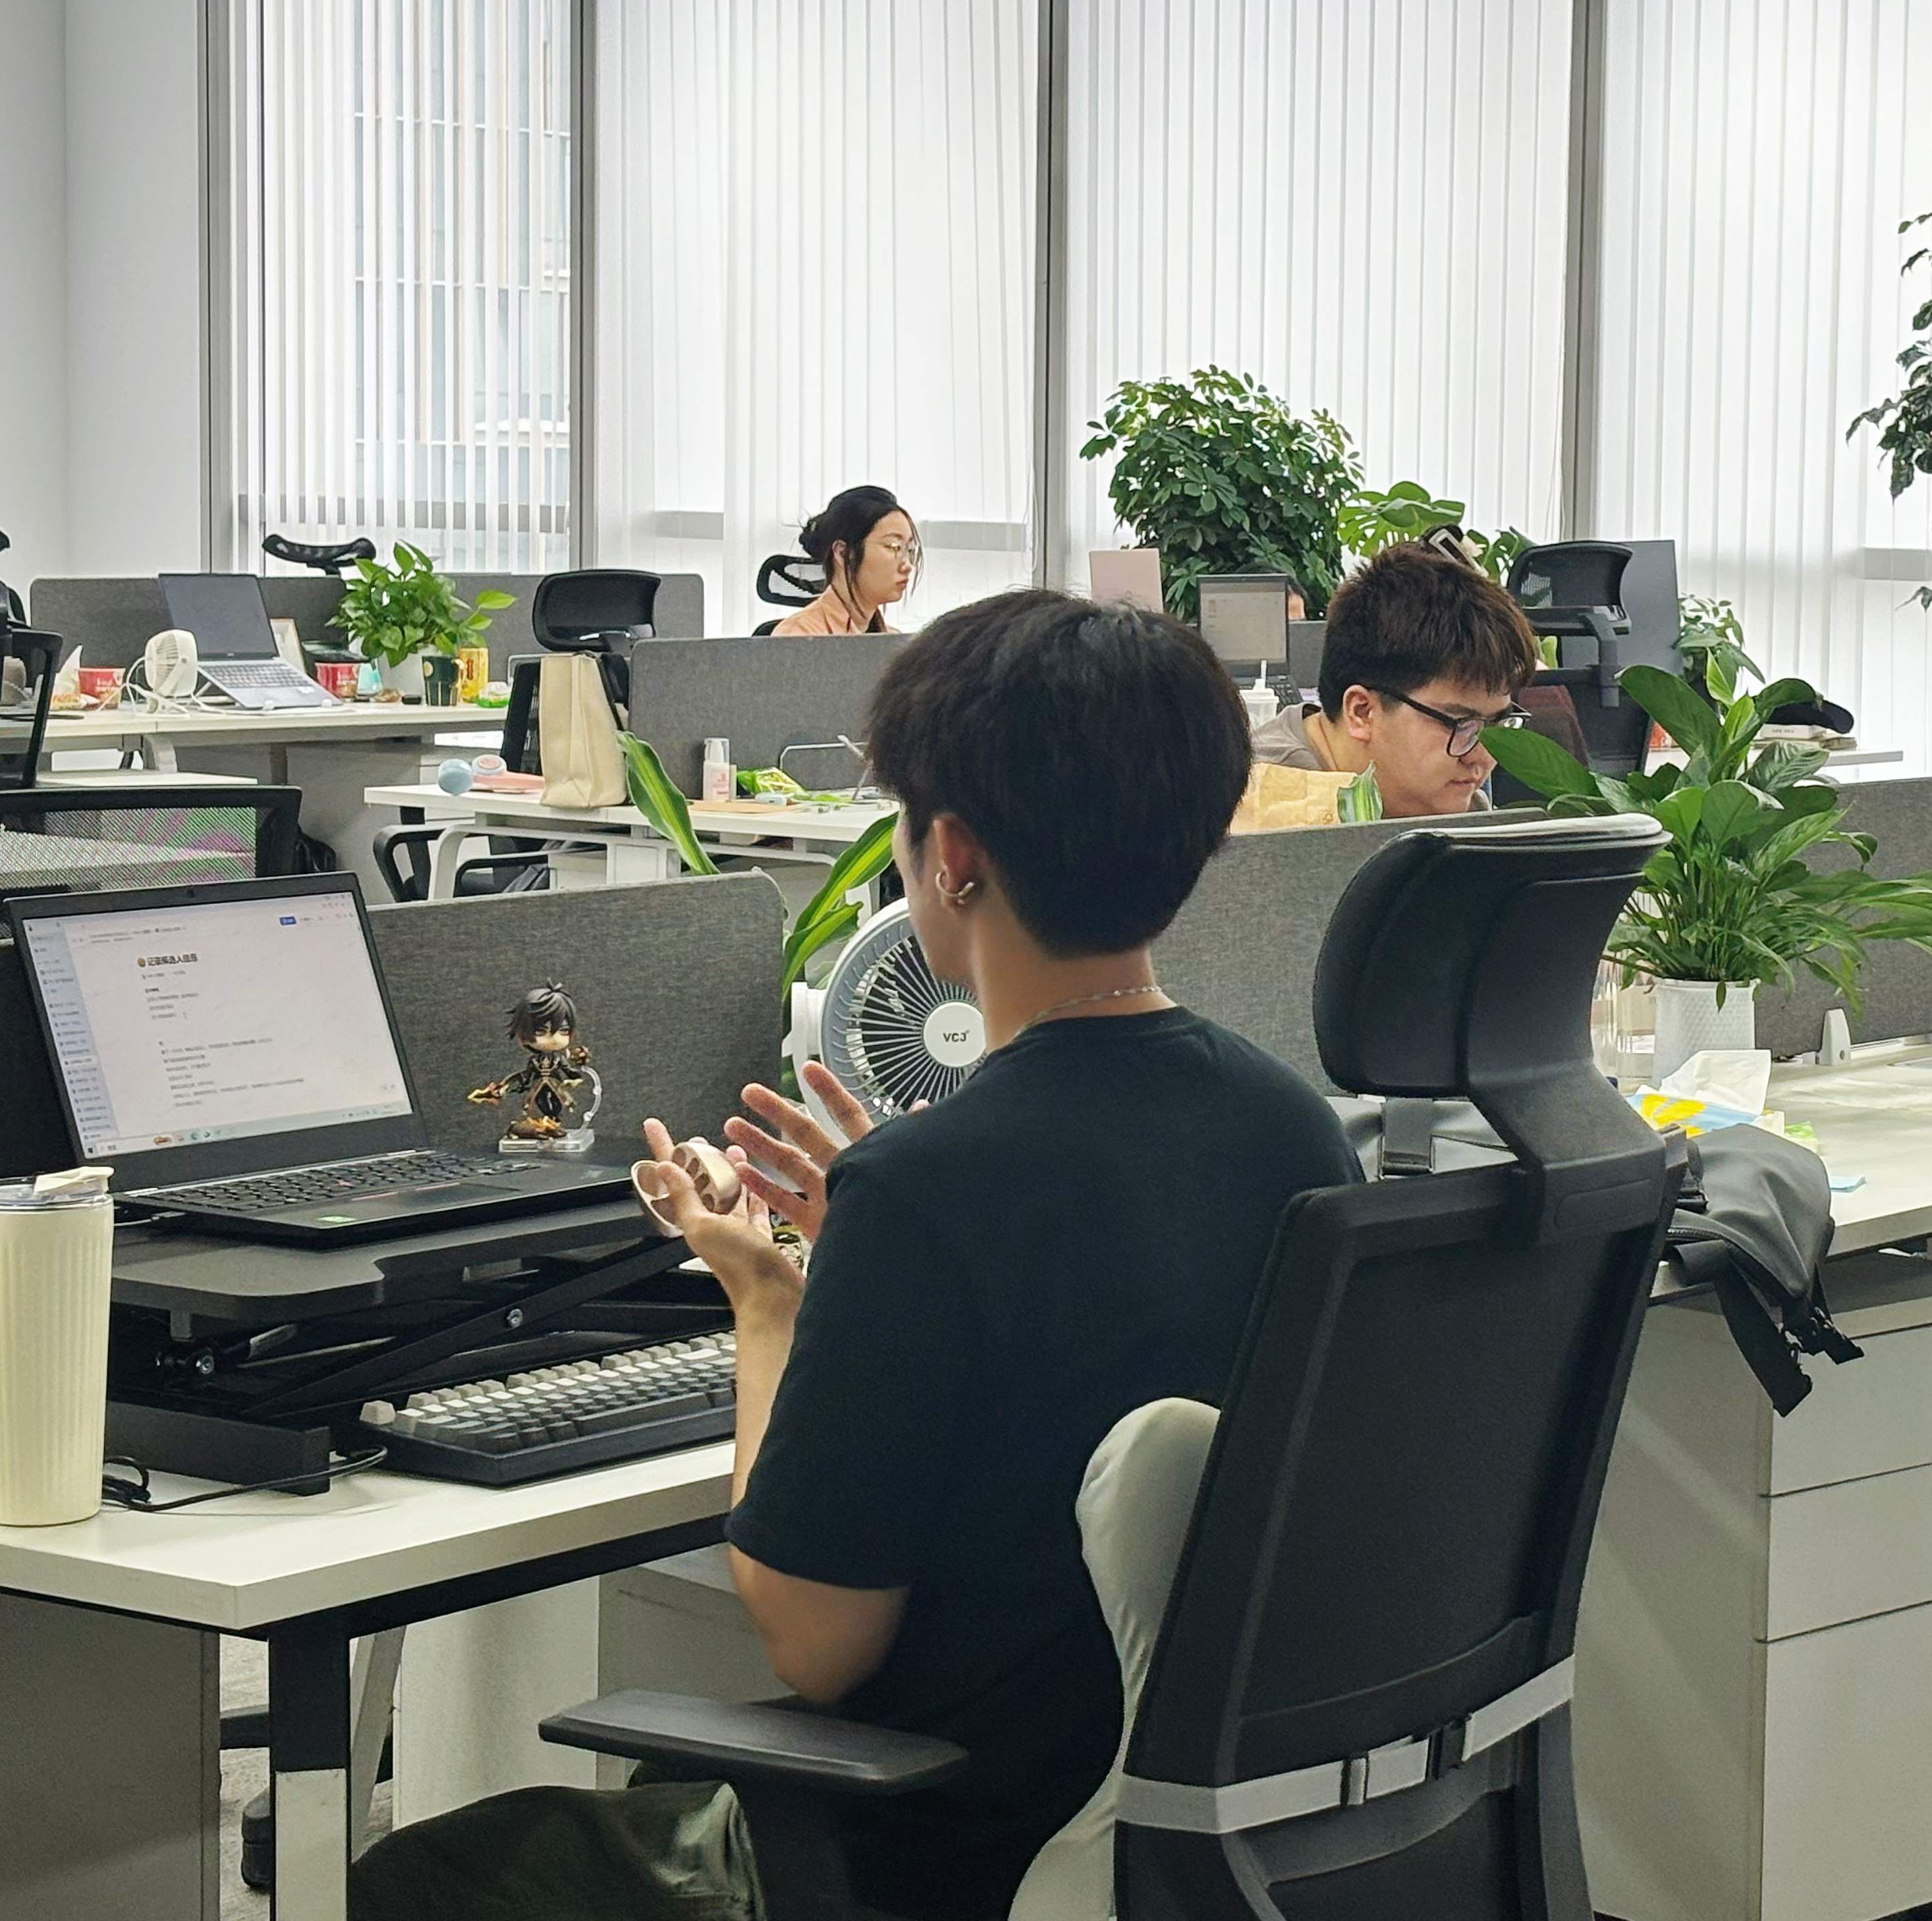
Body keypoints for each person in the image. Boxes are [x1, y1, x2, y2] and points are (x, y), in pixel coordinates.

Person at [352, 591, 1362, 1921]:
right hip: (1208, 1834)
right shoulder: (1294, 1130)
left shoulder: (935, 1186)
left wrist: (770, 1298)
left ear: (954, 858)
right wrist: (879, 1251)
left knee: (419, 1876)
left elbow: (816, 1643)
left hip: (954, 1843)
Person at [1248, 541, 1539, 817]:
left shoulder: (1449, 800)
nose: (1483, 758)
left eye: (1499, 724)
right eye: (1460, 724)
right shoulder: (1257, 809)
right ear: (1362, 712)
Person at [771, 484, 920, 636]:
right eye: (893, 546)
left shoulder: (893, 639)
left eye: (909, 549)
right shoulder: (798, 635)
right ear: (843, 553)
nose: (908, 565)